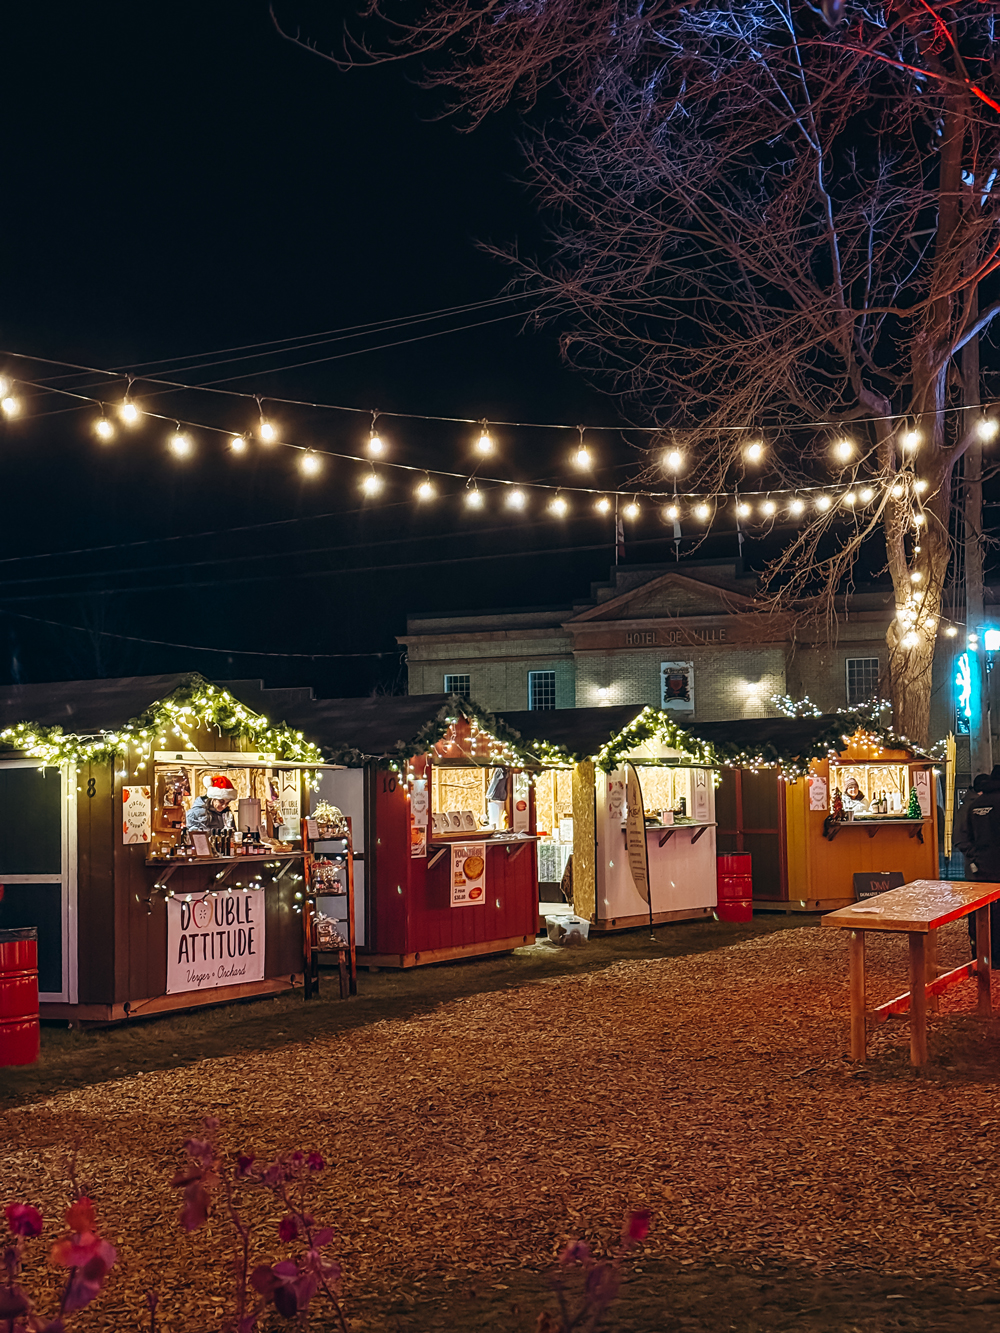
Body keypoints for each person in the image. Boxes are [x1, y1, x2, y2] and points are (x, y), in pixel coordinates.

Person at [953, 772, 1000, 964]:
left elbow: (961, 837)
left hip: (981, 868)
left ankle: (982, 953)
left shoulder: (974, 805)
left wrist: (976, 857)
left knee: (981, 911)